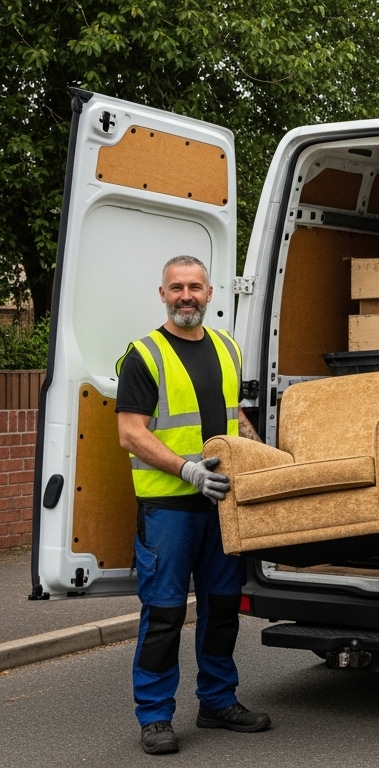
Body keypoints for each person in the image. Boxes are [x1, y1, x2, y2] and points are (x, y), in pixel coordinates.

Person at [115, 256, 271, 756]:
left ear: (210, 293)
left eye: (195, 287)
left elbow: (233, 414)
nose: (187, 296)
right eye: (177, 287)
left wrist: (264, 457)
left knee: (222, 609)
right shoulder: (144, 355)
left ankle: (218, 701)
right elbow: (130, 433)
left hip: (221, 505)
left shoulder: (227, 347)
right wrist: (187, 470)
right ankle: (155, 715)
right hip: (169, 508)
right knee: (164, 614)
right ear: (162, 294)